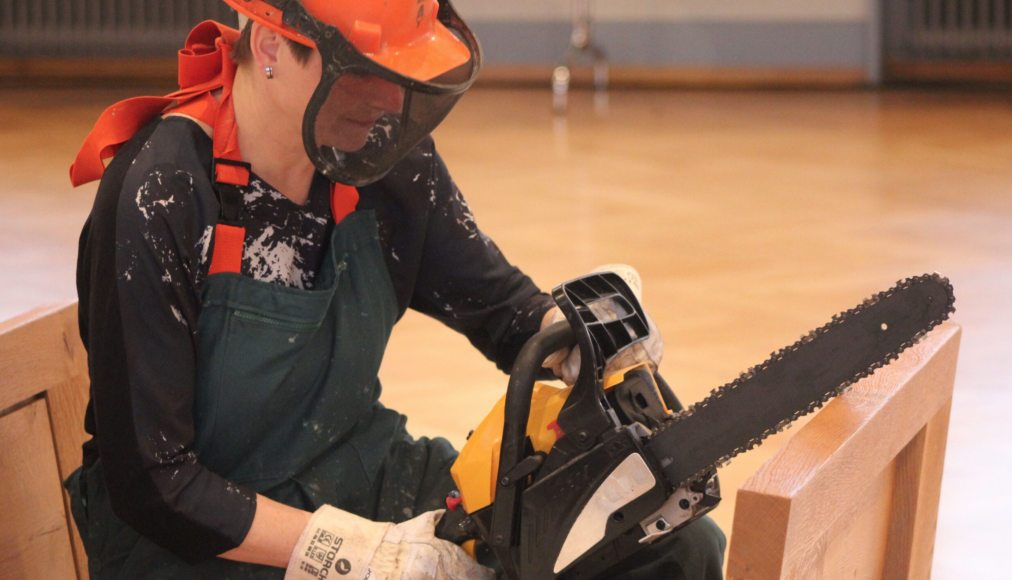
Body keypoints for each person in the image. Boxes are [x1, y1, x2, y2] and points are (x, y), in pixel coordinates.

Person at [65, 1, 726, 578]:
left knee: (671, 550)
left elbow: (502, 310)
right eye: (363, 76)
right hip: (197, 547)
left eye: (401, 78)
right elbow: (156, 485)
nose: (388, 103)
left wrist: (583, 337)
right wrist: (359, 556)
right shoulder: (159, 194)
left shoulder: (379, 159)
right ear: (269, 46)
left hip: (358, 473)